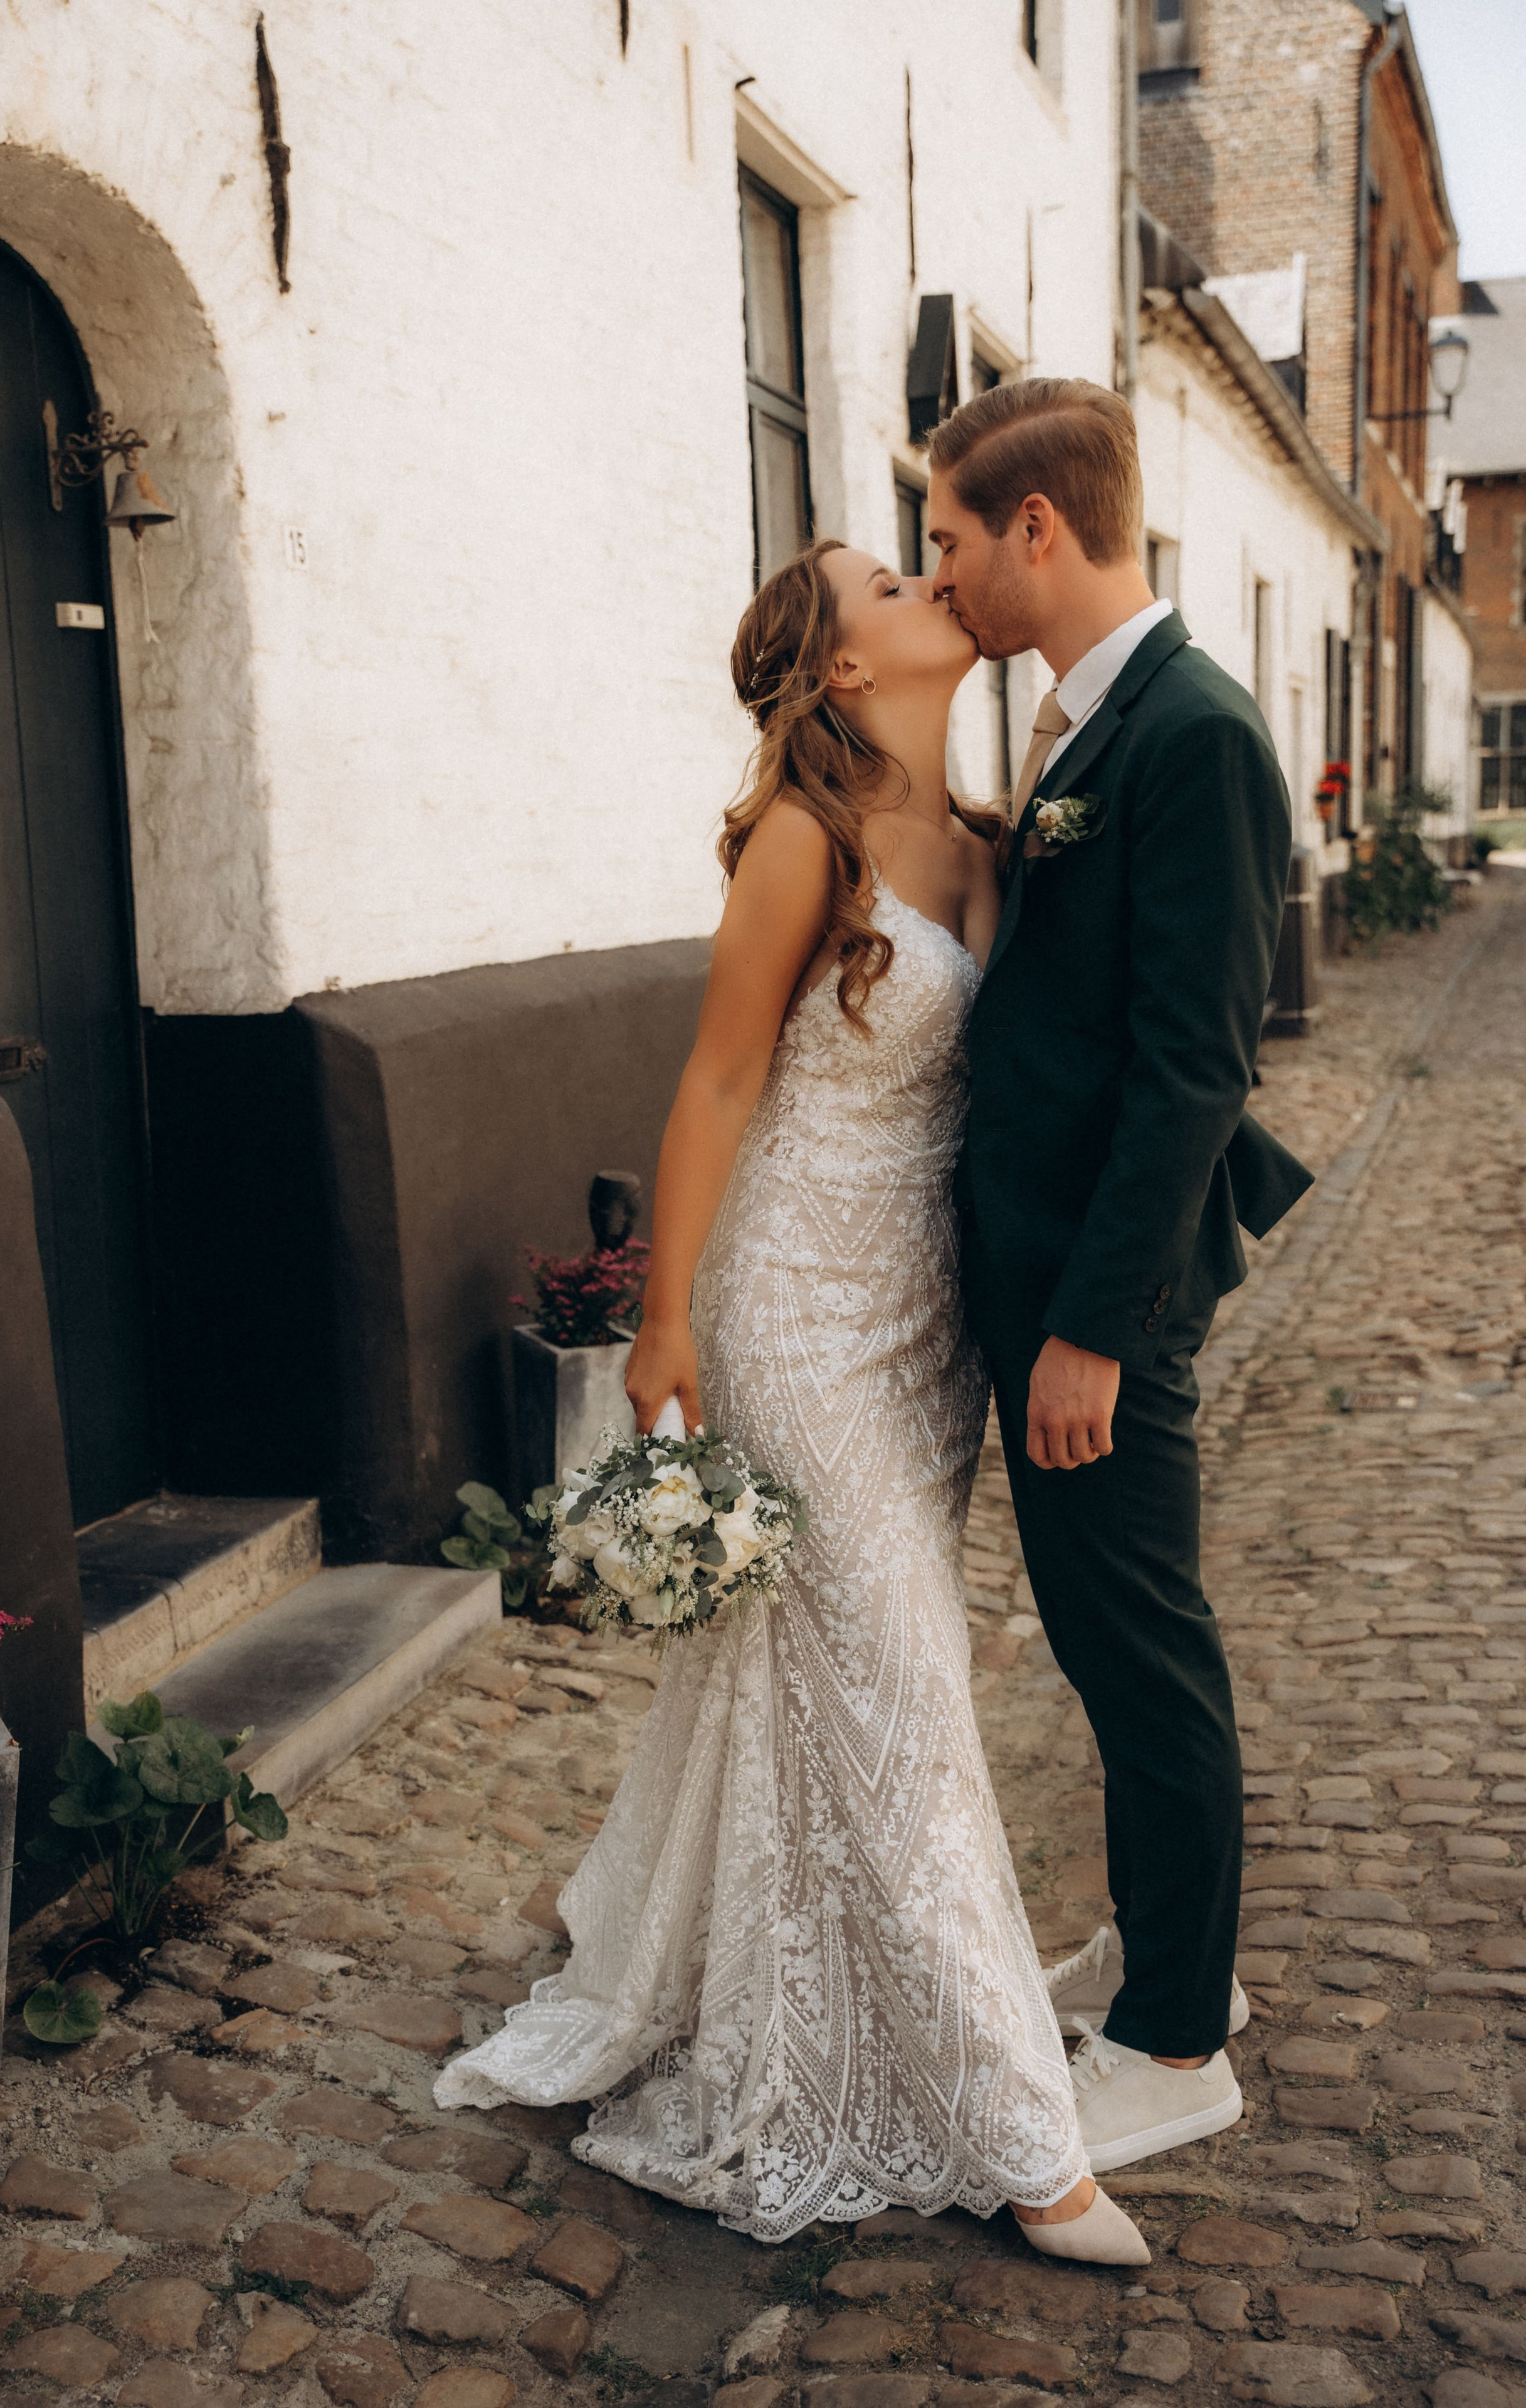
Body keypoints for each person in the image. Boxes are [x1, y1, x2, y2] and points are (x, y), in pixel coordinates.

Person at [435, 536, 1148, 2263]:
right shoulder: (802, 844)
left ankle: (773, 1977)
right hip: (792, 1315)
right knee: (908, 1688)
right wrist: (663, 1318)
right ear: (842, 668)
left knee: (832, 1677)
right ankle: (1023, 2141)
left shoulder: (985, 838)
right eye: (892, 583)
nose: (930, 587)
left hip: (927, 1338)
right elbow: (716, 1081)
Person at [926, 378, 1313, 2173]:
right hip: (1050, 1278)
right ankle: (1176, 1952)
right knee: (1100, 1638)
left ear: (1038, 526)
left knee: (1144, 1652)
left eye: (950, 537)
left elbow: (1191, 1068)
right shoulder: (1090, 724)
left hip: (1106, 1299)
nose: (942, 572)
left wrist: (1090, 1328)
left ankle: (1176, 2043)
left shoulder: (1193, 731)